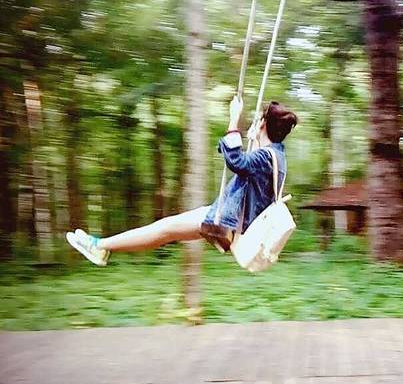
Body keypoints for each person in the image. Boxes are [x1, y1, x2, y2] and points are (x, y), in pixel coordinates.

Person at [66, 97, 298, 266]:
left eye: (258, 119)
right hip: (230, 216)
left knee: (164, 229)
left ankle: (99, 246)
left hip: (229, 221)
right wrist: (254, 138)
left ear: (263, 124)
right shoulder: (276, 156)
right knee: (166, 230)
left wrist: (233, 120)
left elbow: (236, 161)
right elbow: (250, 171)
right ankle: (101, 246)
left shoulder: (265, 157)